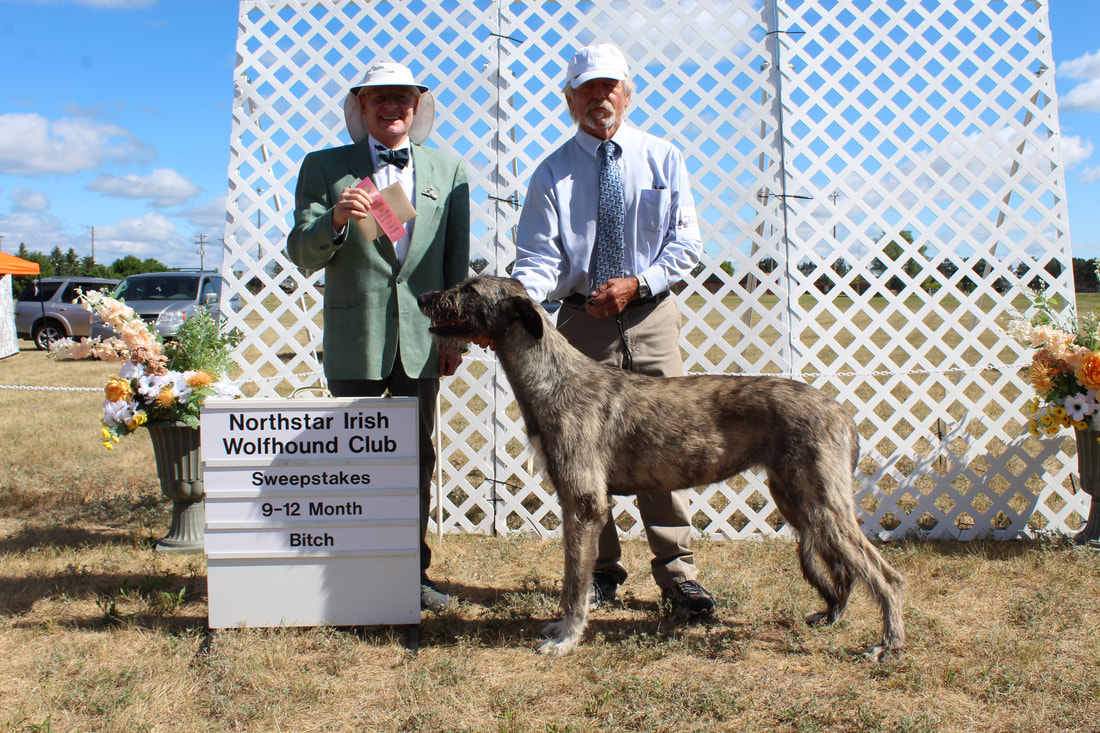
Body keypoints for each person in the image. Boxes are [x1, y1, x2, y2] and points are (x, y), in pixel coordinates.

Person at [510, 42, 715, 616]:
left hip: (652, 316)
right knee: (581, 455)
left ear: (627, 92)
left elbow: (688, 243)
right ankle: (600, 572)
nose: (599, 97)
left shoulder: (663, 156)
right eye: (587, 88)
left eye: (609, 86)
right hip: (579, 325)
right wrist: (522, 299)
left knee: (662, 441)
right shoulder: (551, 172)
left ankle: (678, 572)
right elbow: (537, 258)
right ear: (569, 98)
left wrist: (639, 282)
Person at [287, 61, 470, 610]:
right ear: (360, 108)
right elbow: (301, 252)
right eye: (379, 99)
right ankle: (350, 572)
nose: (392, 108)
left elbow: (455, 264)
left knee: (417, 456)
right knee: (351, 456)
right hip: (355, 338)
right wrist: (335, 222)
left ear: (418, 108)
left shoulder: (450, 169)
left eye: (403, 99)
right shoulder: (323, 167)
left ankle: (410, 571)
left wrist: (454, 336)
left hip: (422, 342)